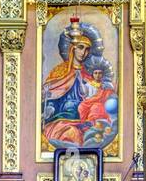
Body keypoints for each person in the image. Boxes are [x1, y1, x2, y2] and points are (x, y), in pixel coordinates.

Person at [42, 17, 118, 150]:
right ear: (72, 48)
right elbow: (48, 98)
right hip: (62, 120)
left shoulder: (90, 75)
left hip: (85, 121)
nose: (84, 53)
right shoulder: (59, 72)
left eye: (87, 49)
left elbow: (97, 96)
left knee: (94, 135)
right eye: (81, 47)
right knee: (73, 135)